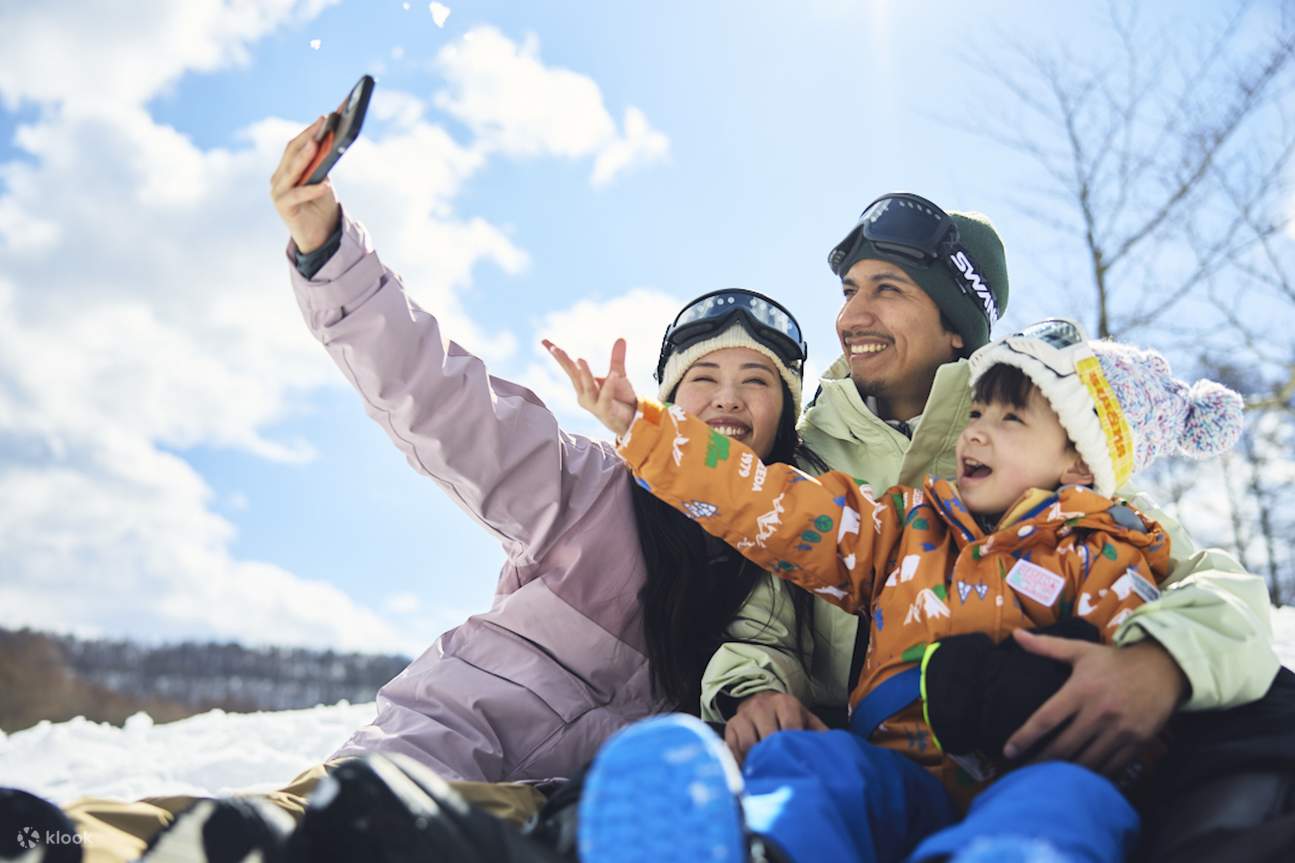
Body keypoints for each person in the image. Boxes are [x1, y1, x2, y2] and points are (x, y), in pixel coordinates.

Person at [18, 117, 818, 863]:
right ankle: (48, 838)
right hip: (432, 757)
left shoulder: (793, 559)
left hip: (559, 814)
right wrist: (329, 253)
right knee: (260, 833)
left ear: (785, 409)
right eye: (702, 376)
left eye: (755, 380)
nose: (725, 397)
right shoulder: (591, 489)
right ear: (668, 400)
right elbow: (441, 399)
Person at [560, 318, 1245, 862]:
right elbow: (775, 503)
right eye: (976, 411)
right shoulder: (902, 528)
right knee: (807, 759)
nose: (974, 428)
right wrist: (644, 431)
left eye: (1010, 419)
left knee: (1065, 805)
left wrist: (1147, 667)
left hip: (1036, 776)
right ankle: (757, 844)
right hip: (894, 775)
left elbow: (1158, 685)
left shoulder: (1113, 550)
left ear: (1077, 460)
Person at [704, 193, 1279, 782]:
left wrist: (1161, 664)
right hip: (857, 762)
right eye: (850, 290)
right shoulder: (806, 460)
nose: (852, 318)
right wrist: (753, 695)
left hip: (1029, 756)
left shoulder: (1040, 443)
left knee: (1269, 708)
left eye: (888, 289)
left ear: (956, 325)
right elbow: (762, 630)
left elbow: (1211, 586)